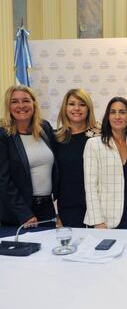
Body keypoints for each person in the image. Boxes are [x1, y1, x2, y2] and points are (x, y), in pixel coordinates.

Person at [83, 97, 127, 229]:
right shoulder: (94, 144)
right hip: (107, 219)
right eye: (113, 112)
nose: (117, 116)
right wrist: (97, 221)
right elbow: (90, 187)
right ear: (108, 116)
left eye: (122, 112)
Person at [0, 85, 57, 227]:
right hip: (19, 214)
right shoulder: (3, 135)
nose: (21, 106)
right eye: (14, 101)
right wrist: (24, 214)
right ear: (8, 105)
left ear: (34, 103)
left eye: (25, 100)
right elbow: (3, 180)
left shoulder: (45, 128)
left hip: (47, 209)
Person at [55, 88, 100, 227]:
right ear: (65, 107)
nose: (76, 108)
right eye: (72, 104)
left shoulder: (100, 136)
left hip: (97, 206)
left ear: (88, 108)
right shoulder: (55, 138)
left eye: (82, 104)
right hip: (68, 207)